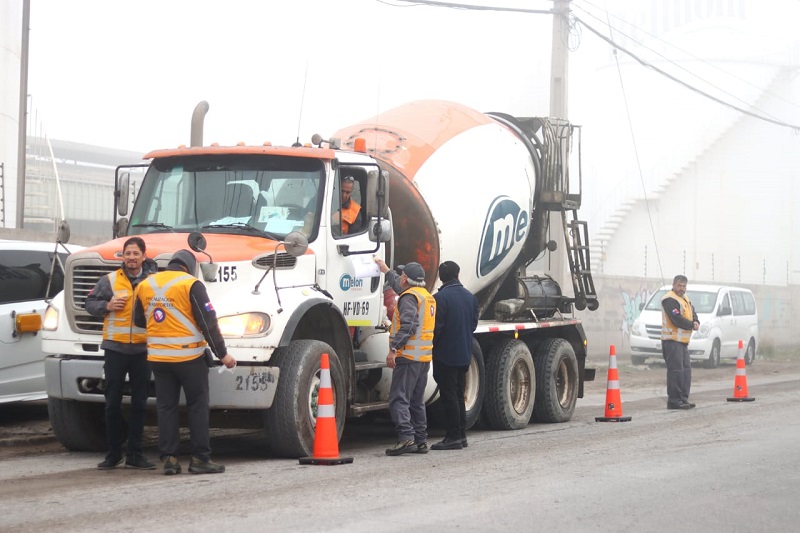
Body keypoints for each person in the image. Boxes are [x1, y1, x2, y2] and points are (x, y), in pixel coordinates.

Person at [133, 250, 236, 475]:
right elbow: (208, 321)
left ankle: (169, 459)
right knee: (197, 406)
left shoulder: (145, 284)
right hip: (189, 358)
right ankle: (200, 458)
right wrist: (223, 354)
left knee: (166, 408)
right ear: (190, 267)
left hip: (158, 358)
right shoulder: (191, 284)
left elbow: (138, 320)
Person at [85, 236, 157, 470]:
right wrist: (107, 306)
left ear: (144, 256)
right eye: (128, 254)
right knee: (112, 403)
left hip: (142, 350)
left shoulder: (153, 282)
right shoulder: (109, 281)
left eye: (136, 254)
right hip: (115, 349)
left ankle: (135, 454)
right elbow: (89, 304)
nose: (132, 258)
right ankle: (113, 453)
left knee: (139, 404)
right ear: (123, 257)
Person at [375, 259, 435, 456]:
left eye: (401, 275)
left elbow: (408, 326)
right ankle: (420, 440)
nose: (400, 277)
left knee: (398, 400)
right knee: (416, 401)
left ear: (406, 279)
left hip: (408, 357)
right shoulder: (425, 296)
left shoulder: (408, 298)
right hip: (423, 358)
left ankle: (406, 438)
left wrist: (393, 349)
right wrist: (386, 270)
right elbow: (399, 285)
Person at [430, 261, 479, 451]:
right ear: (458, 274)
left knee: (449, 395)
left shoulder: (440, 299)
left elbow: (437, 329)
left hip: (445, 355)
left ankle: (452, 436)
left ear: (441, 277)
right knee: (458, 395)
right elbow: (473, 325)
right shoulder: (470, 298)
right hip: (464, 353)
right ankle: (461, 435)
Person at [661, 274, 699, 410]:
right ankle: (674, 401)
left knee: (686, 371)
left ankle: (683, 399)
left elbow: (693, 313)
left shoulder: (685, 299)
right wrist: (691, 325)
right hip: (672, 341)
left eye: (684, 286)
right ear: (674, 285)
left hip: (682, 342)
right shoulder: (669, 299)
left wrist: (696, 321)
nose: (682, 289)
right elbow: (676, 319)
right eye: (679, 285)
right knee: (676, 372)